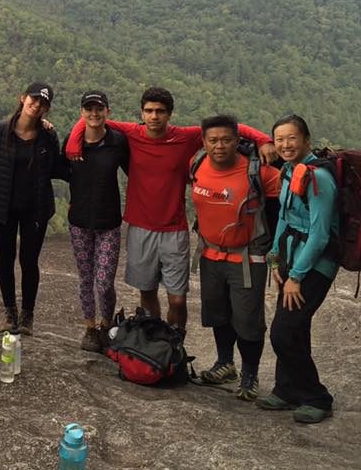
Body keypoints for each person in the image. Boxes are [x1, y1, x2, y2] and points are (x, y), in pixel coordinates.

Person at [65, 87, 275, 332]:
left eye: (160, 111)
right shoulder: (132, 133)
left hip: (174, 230)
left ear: (170, 114)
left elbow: (230, 129)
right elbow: (92, 119)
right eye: (149, 111)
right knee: (147, 293)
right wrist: (72, 144)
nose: (154, 116)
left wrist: (264, 140)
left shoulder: (185, 137)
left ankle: (176, 343)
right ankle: (154, 341)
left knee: (177, 299)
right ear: (142, 113)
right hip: (140, 227)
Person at [190, 115, 280, 401]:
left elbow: (279, 216)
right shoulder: (196, 163)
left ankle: (250, 375)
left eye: (226, 140)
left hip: (247, 258)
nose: (220, 146)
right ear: (204, 142)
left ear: (237, 140)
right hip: (210, 253)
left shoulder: (261, 173)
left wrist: (276, 258)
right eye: (213, 140)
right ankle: (225, 363)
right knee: (218, 312)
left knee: (247, 319)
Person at [257, 115, 339, 424]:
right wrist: (275, 258)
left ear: (306, 140)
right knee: (295, 327)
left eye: (292, 138)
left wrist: (296, 276)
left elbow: (320, 235)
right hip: (291, 255)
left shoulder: (319, 178)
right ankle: (287, 389)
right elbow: (284, 217)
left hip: (315, 264)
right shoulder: (290, 170)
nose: (285, 145)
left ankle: (317, 397)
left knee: (284, 332)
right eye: (279, 139)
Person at [0, 82, 67, 336]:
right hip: (2, 206)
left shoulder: (48, 136)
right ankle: (10, 312)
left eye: (43, 103)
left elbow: (56, 167)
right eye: (34, 99)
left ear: (47, 109)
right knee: (5, 258)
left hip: (36, 209)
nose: (37, 105)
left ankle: (27, 315)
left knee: (29, 261)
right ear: (23, 98)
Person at [65, 90, 130, 352]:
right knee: (85, 278)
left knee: (103, 283)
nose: (94, 114)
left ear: (107, 112)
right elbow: (61, 171)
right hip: (79, 221)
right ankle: (90, 328)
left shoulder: (117, 142)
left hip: (108, 222)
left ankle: (106, 324)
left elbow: (135, 171)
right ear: (82, 112)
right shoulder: (72, 144)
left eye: (99, 109)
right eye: (89, 109)